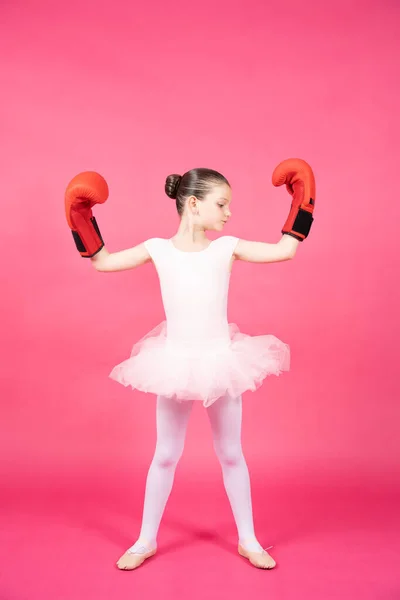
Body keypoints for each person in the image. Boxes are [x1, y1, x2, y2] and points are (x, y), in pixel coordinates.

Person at [64, 161, 315, 571]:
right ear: (194, 204)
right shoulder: (157, 249)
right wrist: (80, 216)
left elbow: (285, 251)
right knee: (165, 454)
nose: (229, 212)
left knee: (232, 453)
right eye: (222, 204)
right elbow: (103, 262)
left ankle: (249, 540)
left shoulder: (226, 246)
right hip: (176, 361)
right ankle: (145, 540)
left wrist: (303, 202)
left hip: (220, 360)